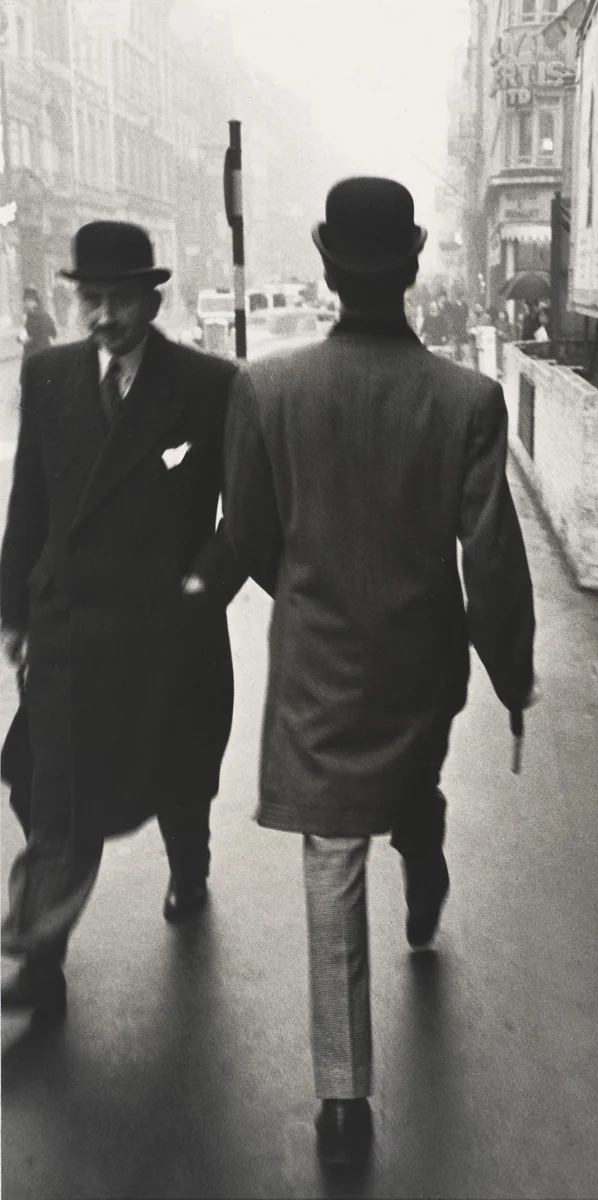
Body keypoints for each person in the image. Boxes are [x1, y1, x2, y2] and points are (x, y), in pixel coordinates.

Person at [220, 177, 536, 1165]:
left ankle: (344, 1100)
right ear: (408, 268)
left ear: (324, 263)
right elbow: (489, 558)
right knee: (410, 785)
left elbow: (251, 536)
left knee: (330, 859)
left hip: (320, 668)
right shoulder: (466, 400)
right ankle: (425, 844)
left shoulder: (266, 391)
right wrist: (511, 669)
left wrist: (317, 599)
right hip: (420, 660)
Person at [0, 221, 266, 1024]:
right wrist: (13, 612)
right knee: (48, 793)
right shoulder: (46, 376)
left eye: (121, 300)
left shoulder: (209, 384)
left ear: (155, 299)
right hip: (72, 632)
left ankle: (189, 865)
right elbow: (30, 505)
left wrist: (199, 591)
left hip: (167, 634)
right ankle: (40, 967)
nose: (105, 316)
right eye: (92, 298)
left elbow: (244, 517)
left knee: (179, 777)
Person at [19, 287, 56, 359]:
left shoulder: (33, 316)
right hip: (45, 350)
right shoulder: (45, 314)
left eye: (27, 301)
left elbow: (31, 336)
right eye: (25, 301)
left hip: (34, 353)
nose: (25, 304)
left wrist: (22, 339)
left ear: (34, 302)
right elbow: (53, 333)